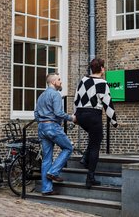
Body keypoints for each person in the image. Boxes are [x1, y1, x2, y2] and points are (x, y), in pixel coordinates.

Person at [74, 58, 118, 188]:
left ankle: (85, 158)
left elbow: (76, 99)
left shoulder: (83, 80)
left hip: (81, 115)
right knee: (95, 146)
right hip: (93, 115)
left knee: (95, 138)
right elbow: (108, 103)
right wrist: (113, 121)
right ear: (102, 69)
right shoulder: (102, 83)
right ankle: (90, 177)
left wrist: (75, 115)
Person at [34, 73, 76, 196]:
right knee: (68, 147)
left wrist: (42, 123)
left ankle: (47, 189)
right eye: (59, 79)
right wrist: (71, 118)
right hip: (52, 126)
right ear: (53, 82)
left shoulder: (41, 95)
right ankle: (53, 172)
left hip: (42, 127)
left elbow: (36, 113)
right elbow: (58, 113)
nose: (60, 82)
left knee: (46, 158)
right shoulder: (56, 95)